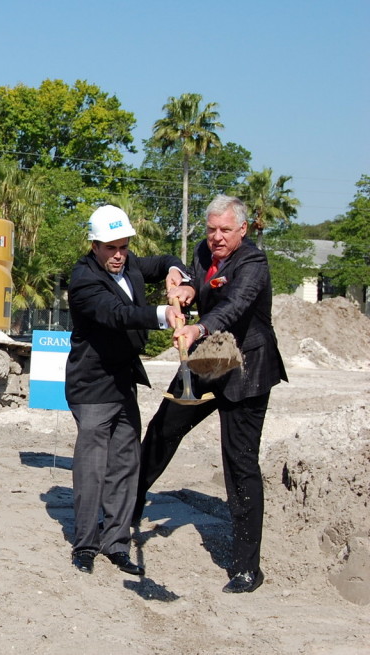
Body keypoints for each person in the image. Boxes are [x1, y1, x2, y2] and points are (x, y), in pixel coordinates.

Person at [134, 194, 287, 594]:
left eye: (224, 231)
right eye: (211, 229)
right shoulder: (204, 251)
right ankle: (128, 509)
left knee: (239, 461)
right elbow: (196, 281)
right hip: (211, 358)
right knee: (164, 428)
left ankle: (246, 567)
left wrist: (197, 328)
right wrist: (186, 289)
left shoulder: (254, 263)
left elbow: (234, 307)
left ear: (243, 230)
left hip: (247, 365)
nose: (216, 237)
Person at [65, 205, 191, 576]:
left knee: (125, 463)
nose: (119, 255)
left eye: (123, 246)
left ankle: (116, 542)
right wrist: (161, 314)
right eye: (110, 248)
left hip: (123, 382)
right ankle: (85, 543)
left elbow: (167, 260)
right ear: (94, 245)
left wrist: (175, 271)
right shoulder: (83, 279)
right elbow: (116, 315)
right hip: (91, 384)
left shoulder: (130, 263)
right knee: (92, 467)